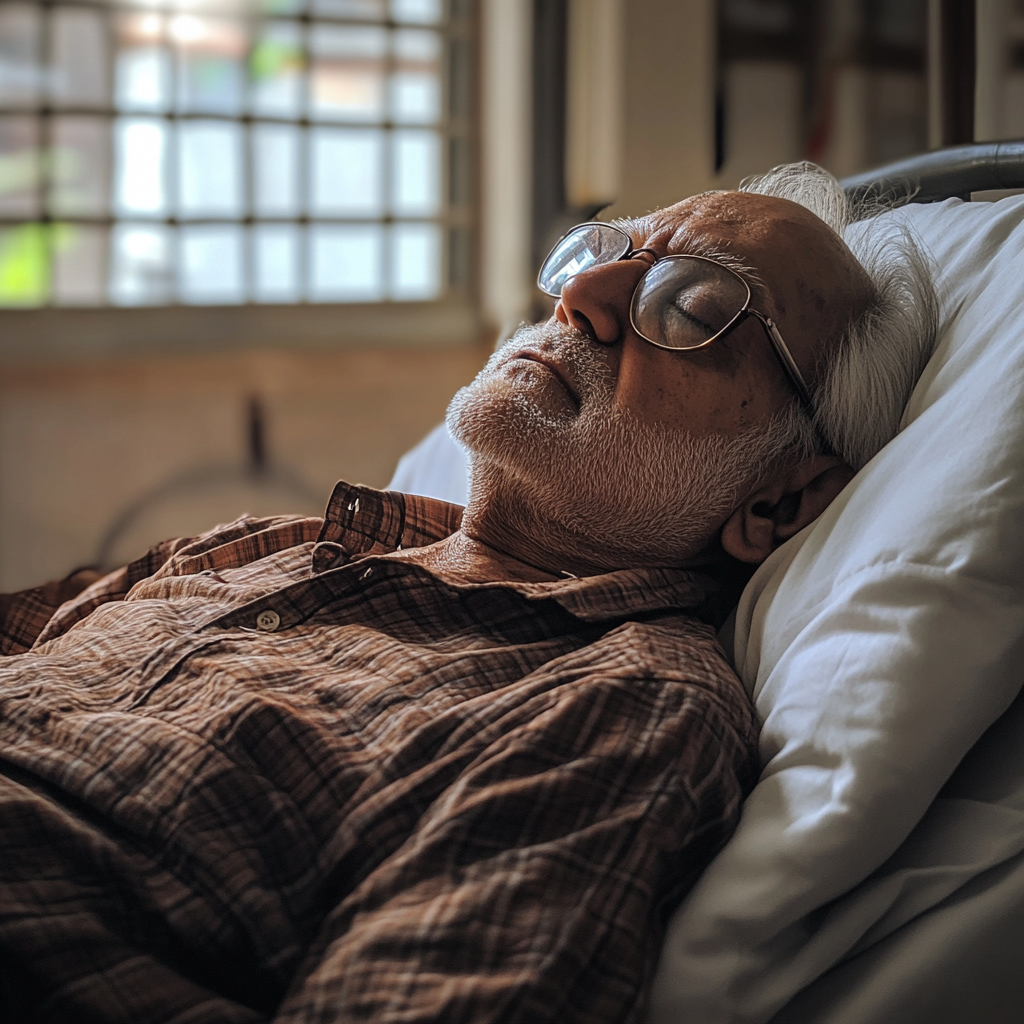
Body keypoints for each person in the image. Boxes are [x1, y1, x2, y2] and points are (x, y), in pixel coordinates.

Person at [0, 164, 935, 1024]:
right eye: (607, 253)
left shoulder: (616, 709)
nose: (581, 299)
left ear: (777, 504)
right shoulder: (281, 543)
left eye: (691, 308)